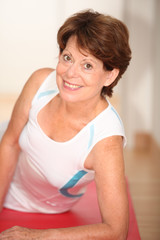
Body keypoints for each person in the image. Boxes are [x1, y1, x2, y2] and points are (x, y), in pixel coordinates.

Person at [0, 9, 131, 240]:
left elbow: (116, 231)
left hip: (38, 206)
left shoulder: (105, 141)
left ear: (109, 76)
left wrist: (37, 236)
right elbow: (9, 143)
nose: (70, 73)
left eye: (87, 65)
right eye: (67, 57)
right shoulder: (41, 80)